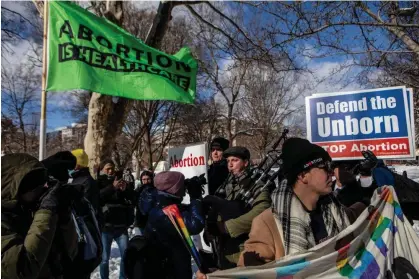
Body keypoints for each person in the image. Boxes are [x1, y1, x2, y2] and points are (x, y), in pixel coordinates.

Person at [1, 153, 79, 278]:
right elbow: (20, 271)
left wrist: (64, 217)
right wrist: (45, 212)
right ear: (12, 188)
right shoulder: (4, 219)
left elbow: (70, 253)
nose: (41, 189)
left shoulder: (30, 210)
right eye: (33, 184)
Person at [203, 146, 271, 269]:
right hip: (225, 250)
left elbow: (261, 210)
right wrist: (211, 227)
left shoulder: (257, 184)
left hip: (246, 250)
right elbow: (220, 208)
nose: (230, 165)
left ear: (245, 163)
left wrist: (226, 227)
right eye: (228, 161)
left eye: (234, 160)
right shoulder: (228, 184)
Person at [134, 171, 205, 279]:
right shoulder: (167, 213)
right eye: (181, 186)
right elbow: (196, 224)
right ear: (174, 190)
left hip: (162, 265)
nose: (184, 189)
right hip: (171, 269)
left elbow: (182, 209)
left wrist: (184, 184)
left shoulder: (155, 200)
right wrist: (195, 197)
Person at [98, 159, 136, 279]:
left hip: (121, 227)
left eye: (112, 168)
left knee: (126, 256)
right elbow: (98, 198)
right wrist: (112, 188)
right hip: (106, 227)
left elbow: (133, 200)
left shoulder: (122, 182)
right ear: (102, 169)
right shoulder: (99, 182)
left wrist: (126, 190)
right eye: (107, 168)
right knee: (104, 259)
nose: (110, 171)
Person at [69, 149, 100, 213]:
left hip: (84, 221)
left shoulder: (87, 181)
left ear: (78, 164)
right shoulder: (73, 178)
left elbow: (85, 206)